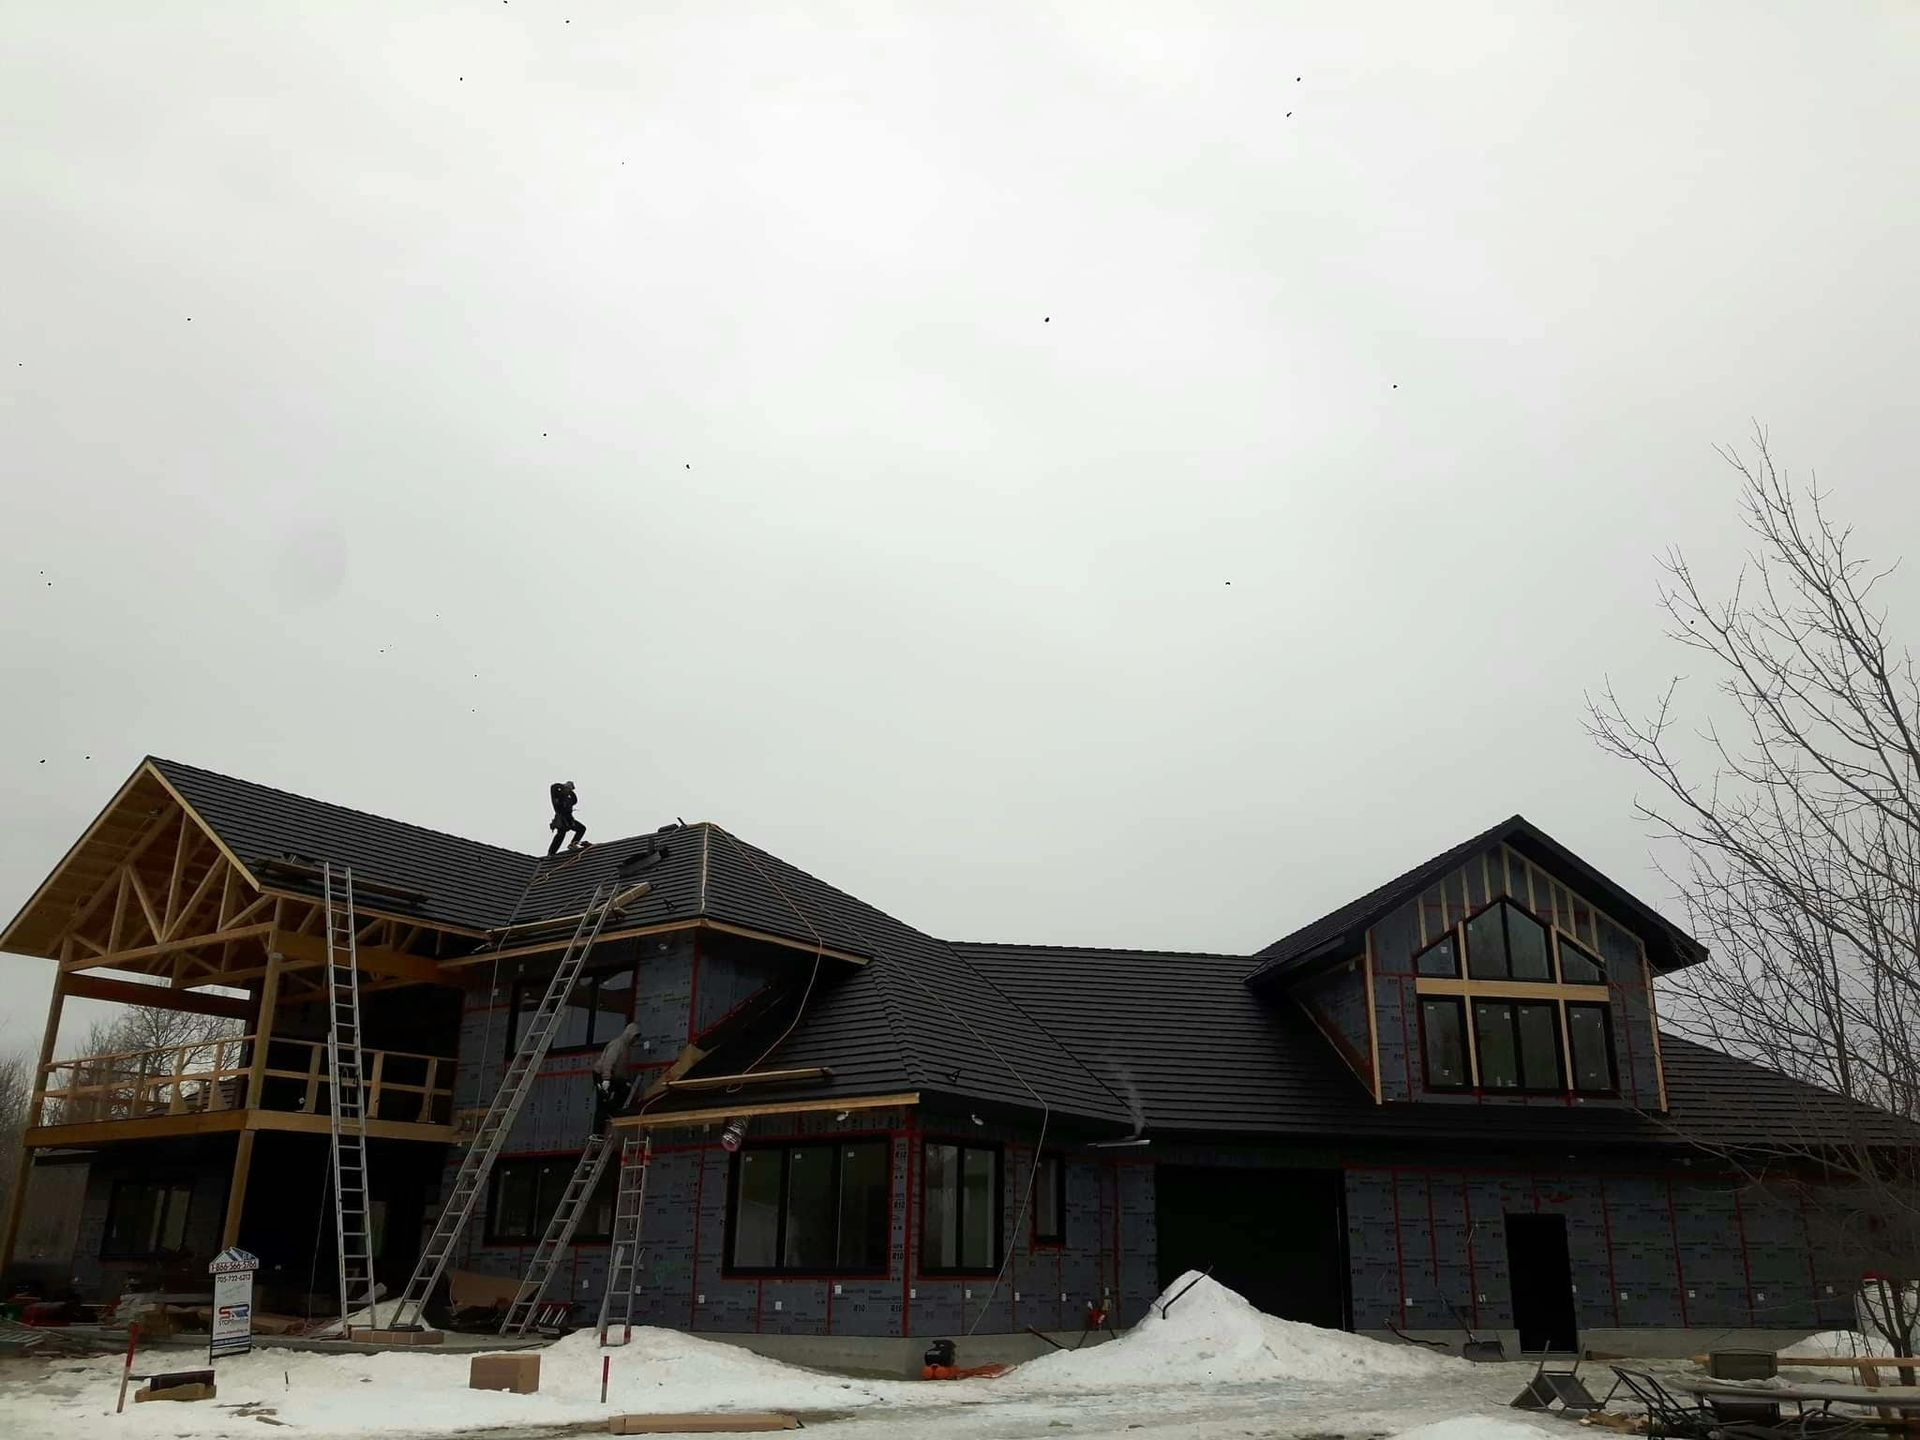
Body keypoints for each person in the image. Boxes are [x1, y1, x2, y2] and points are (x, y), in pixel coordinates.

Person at [591, 1021, 640, 1131]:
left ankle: (613, 1111)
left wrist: (626, 1081)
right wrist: (606, 1079)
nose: (635, 1041)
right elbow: (608, 1062)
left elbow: (622, 1068)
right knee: (603, 1101)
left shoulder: (626, 1047)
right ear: (630, 1035)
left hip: (613, 1076)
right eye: (635, 1038)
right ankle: (597, 1132)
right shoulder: (617, 1045)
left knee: (623, 1090)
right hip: (602, 1074)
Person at [548, 780, 586, 855]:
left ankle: (573, 844)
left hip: (569, 819)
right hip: (561, 818)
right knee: (561, 834)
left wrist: (570, 791)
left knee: (581, 829)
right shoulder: (557, 796)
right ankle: (551, 853)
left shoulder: (569, 799)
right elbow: (553, 787)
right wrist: (564, 786)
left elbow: (575, 800)